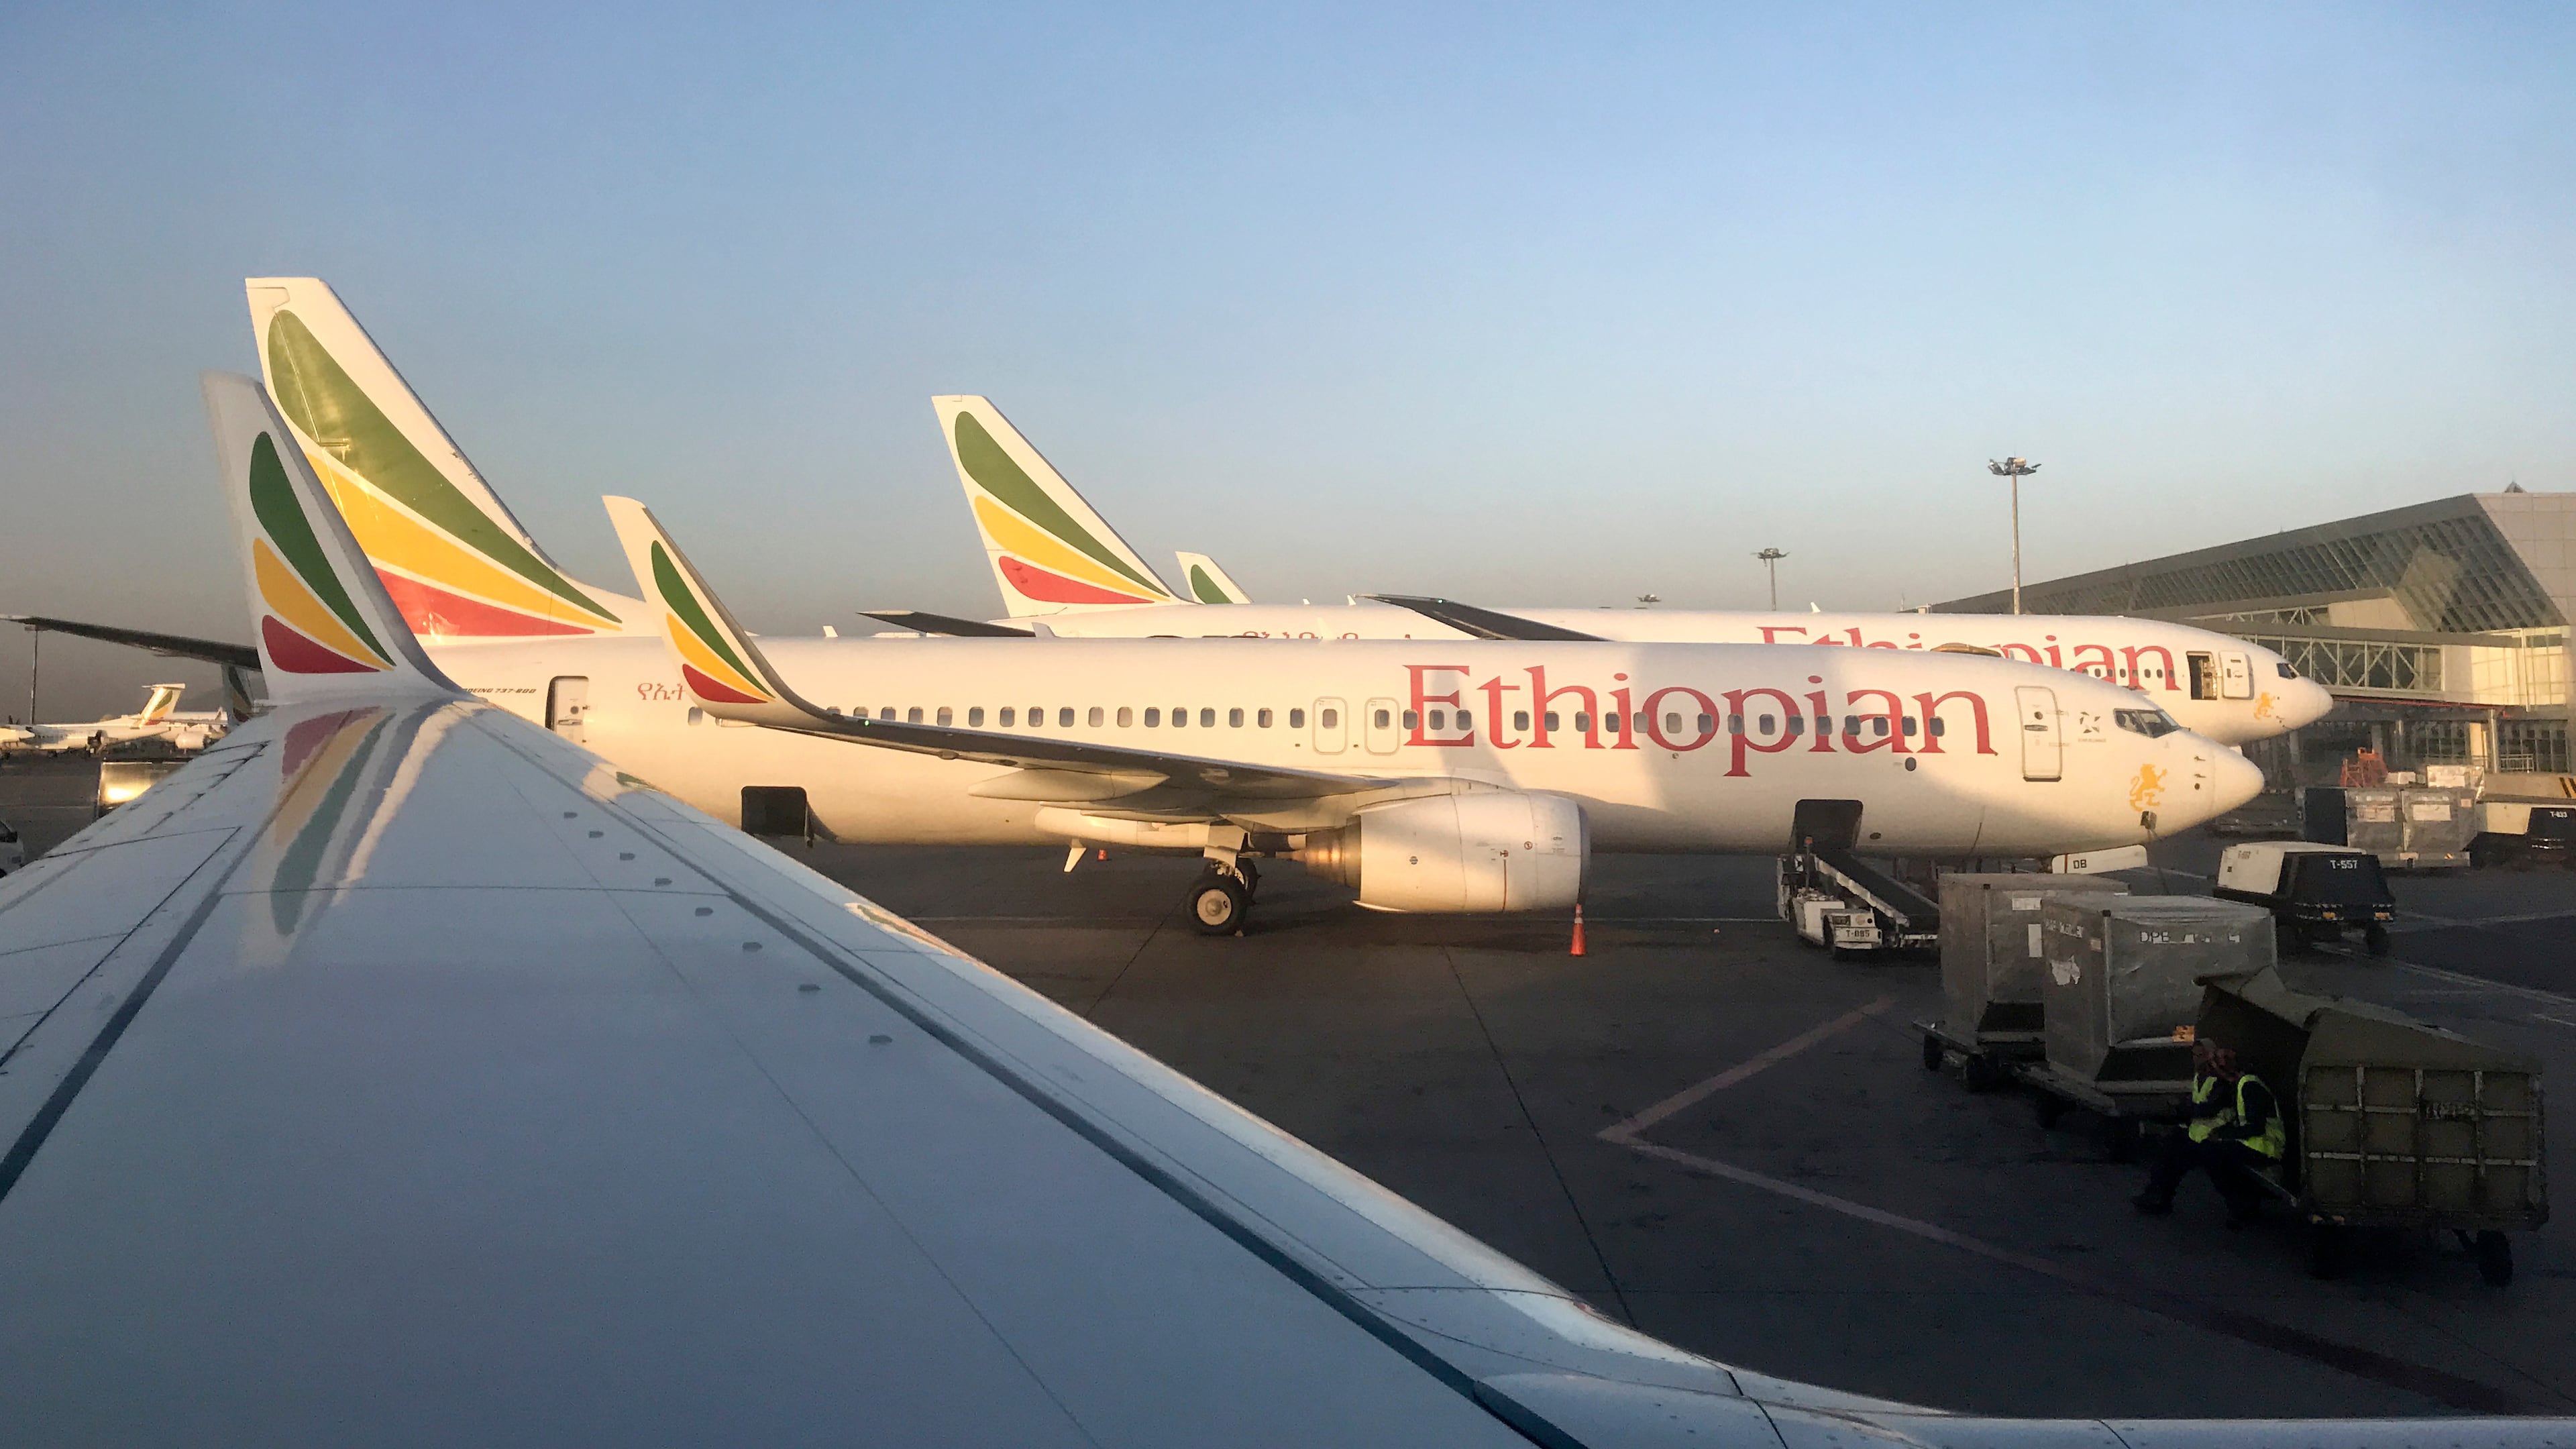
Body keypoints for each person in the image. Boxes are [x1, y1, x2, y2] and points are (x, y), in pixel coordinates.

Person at [2133, 1036, 2285, 1224]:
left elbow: (2251, 1125)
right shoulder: (2229, 1082)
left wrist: (2221, 1135)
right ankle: (2158, 1196)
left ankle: (2242, 1206)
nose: (2201, 1062)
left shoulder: (2247, 1086)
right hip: (2230, 1139)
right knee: (2174, 1150)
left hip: (2262, 1146)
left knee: (2211, 1157)